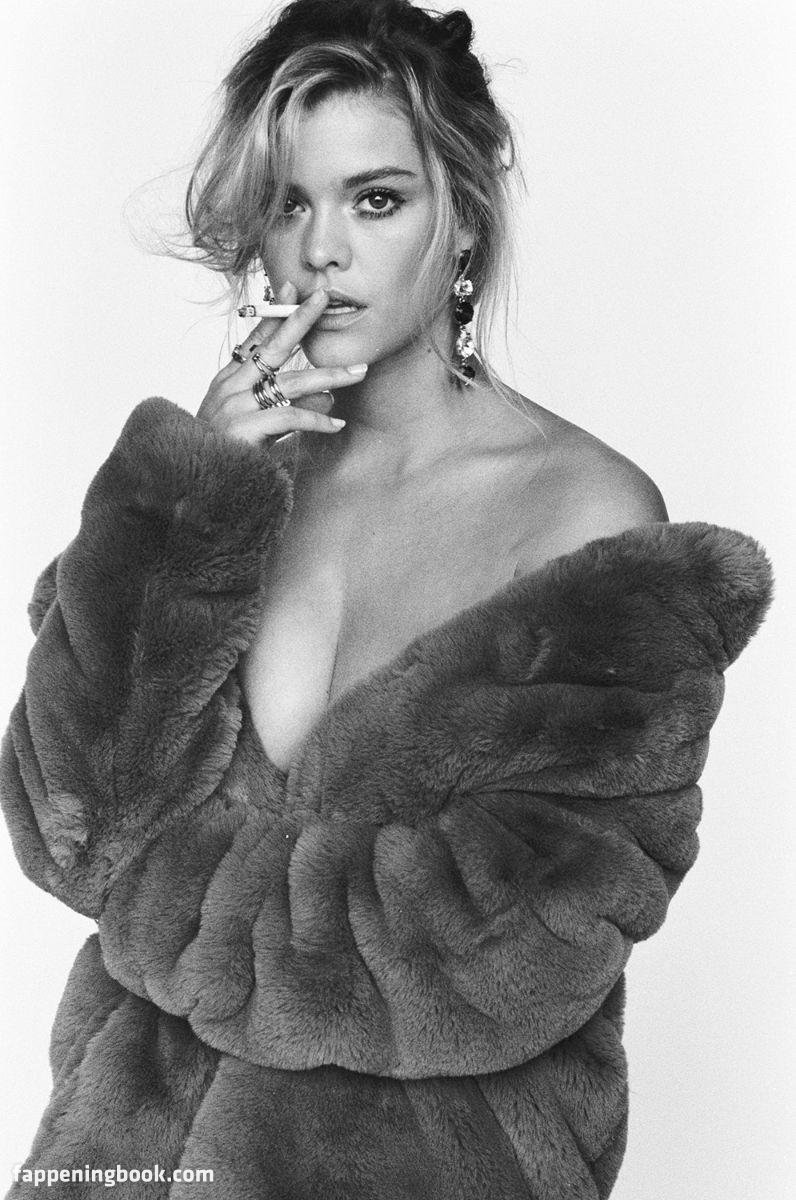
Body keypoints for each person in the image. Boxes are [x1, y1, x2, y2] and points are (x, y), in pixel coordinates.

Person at [0, 1, 773, 1198]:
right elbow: (69, 826)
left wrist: (159, 903)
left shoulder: (584, 512)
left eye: (374, 199)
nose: (321, 249)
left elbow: (505, 955)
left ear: (461, 212)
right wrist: (186, 504)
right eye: (288, 203)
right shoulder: (224, 490)